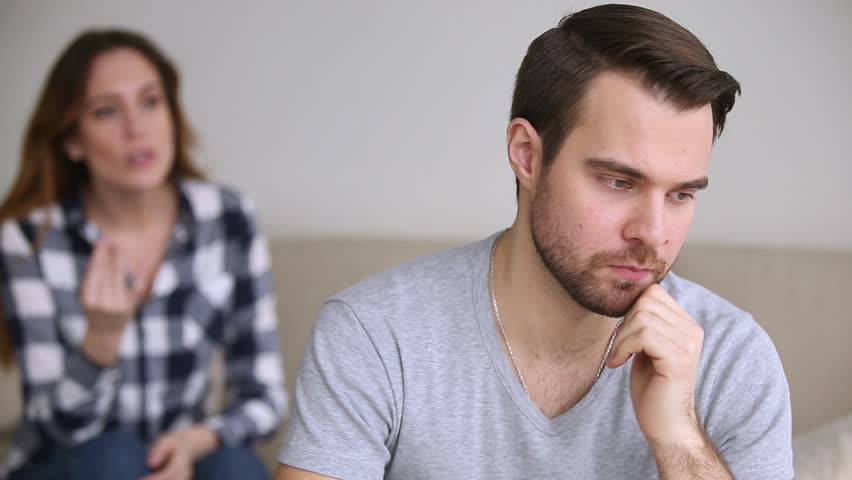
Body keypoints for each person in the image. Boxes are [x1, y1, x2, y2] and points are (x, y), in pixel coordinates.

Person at [276, 4, 792, 479]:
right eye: (618, 182)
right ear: (527, 155)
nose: (653, 233)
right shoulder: (376, 336)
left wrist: (678, 436)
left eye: (681, 194)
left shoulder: (732, 358)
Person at [0, 29, 286, 480]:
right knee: (112, 456)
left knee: (235, 465)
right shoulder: (29, 239)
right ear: (72, 141)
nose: (137, 128)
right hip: (68, 465)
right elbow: (54, 428)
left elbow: (265, 397)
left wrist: (193, 443)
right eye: (106, 111)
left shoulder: (229, 218)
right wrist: (101, 341)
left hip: (183, 456)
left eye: (151, 102)